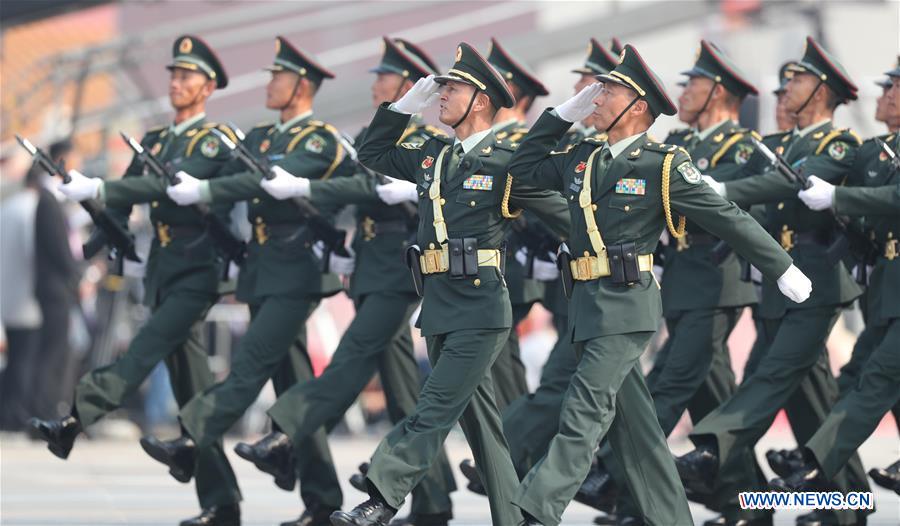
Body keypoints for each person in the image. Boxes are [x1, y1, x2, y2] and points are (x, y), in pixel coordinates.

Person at [505, 44, 809, 526]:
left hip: (626, 308)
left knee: (582, 414)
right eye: (597, 90)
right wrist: (560, 116)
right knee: (639, 434)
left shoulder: (662, 164)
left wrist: (783, 268)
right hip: (586, 304)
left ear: (638, 107)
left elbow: (726, 216)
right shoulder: (582, 156)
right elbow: (518, 173)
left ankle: (536, 511)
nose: (596, 98)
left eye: (609, 92)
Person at [331, 42, 569, 526]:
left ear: (480, 100)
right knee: (484, 428)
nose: (440, 96)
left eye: (452, 89)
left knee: (434, 405)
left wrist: (599, 251)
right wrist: (400, 110)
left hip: (481, 308)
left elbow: (563, 214)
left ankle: (382, 495)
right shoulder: (434, 156)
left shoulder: (508, 160)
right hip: (438, 304)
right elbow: (371, 152)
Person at [232, 36, 456, 526]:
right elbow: (355, 191)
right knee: (403, 393)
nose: (376, 84)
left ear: (411, 87)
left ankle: (286, 432)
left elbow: (372, 187)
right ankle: (434, 498)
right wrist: (335, 239)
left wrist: (312, 188)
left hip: (402, 270)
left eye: (386, 78)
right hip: (372, 268)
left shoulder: (426, 143)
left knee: (353, 357)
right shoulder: (374, 137)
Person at [29, 35, 243, 526]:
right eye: (173, 74)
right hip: (162, 270)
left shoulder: (215, 140)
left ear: (208, 86)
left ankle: (75, 419)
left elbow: (169, 185)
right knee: (194, 396)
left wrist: (103, 186)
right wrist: (103, 217)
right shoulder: (153, 141)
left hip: (198, 271)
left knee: (144, 347)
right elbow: (125, 198)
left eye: (187, 76)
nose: (176, 83)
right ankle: (222, 503)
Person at [140, 36, 353, 524]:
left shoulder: (318, 137)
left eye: (279, 76)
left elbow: (259, 182)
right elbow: (228, 173)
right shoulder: (258, 135)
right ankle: (320, 500)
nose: (270, 83)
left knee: (253, 365)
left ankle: (194, 439)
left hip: (296, 272)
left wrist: (208, 187)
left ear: (301, 85)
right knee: (294, 385)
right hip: (259, 271)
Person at [678, 36, 873, 526]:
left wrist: (724, 188)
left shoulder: (838, 145)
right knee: (812, 408)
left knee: (768, 377)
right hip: (776, 285)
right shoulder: (779, 145)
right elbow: (747, 193)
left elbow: (785, 184)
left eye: (800, 81)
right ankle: (846, 506)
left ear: (824, 92)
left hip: (817, 282)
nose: (788, 89)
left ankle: (712, 447)